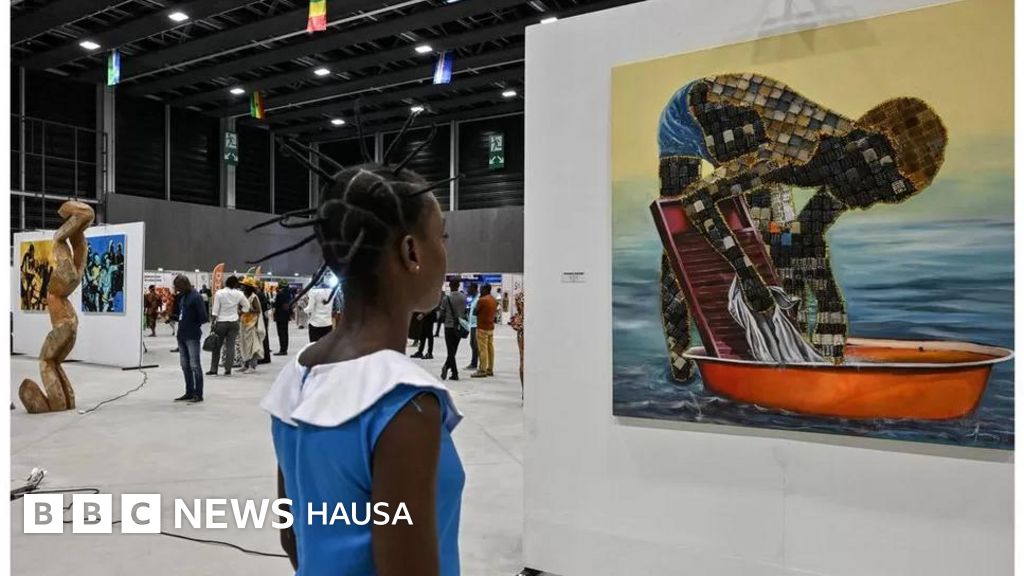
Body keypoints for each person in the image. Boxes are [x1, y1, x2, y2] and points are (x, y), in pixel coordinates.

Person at [656, 74, 948, 366]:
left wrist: (829, 308)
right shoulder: (798, 151)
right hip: (691, 115)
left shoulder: (851, 166)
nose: (870, 202)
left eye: (891, 196)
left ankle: (796, 356)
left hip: (755, 133)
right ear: (870, 157)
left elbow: (801, 235)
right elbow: (696, 201)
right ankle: (679, 355)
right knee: (682, 230)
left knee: (777, 237)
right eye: (884, 187)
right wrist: (748, 277)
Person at [260, 160, 464, 576]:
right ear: (411, 252)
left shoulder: (296, 377)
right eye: (441, 237)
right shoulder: (403, 402)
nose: (445, 252)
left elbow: (292, 535)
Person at [172, 275, 208, 403]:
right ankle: (189, 392)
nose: (176, 289)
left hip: (192, 335)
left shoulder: (196, 297)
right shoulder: (182, 297)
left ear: (183, 284)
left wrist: (192, 322)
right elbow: (180, 314)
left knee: (195, 365)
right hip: (181, 335)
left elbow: (203, 317)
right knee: (185, 365)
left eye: (177, 286)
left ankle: (198, 393)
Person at [207, 275, 250, 376]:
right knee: (231, 346)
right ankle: (228, 370)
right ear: (235, 284)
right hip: (234, 322)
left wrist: (213, 323)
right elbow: (247, 306)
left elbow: (215, 310)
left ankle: (214, 369)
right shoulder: (239, 294)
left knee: (217, 346)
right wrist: (240, 313)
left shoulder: (219, 293)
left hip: (221, 322)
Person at [439, 280, 468, 381]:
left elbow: (442, 313)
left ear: (450, 285)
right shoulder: (464, 297)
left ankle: (454, 372)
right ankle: (447, 367)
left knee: (450, 350)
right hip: (459, 326)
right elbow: (465, 311)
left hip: (449, 326)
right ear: (458, 285)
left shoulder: (446, 298)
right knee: (454, 349)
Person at [239, 278, 266, 373]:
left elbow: (258, 310)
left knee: (252, 346)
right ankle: (245, 364)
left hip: (251, 324)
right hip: (243, 322)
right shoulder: (242, 296)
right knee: (244, 345)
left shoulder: (253, 297)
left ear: (248, 287)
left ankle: (252, 366)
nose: (241, 287)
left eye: (243, 286)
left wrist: (249, 310)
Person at [471, 284, 497, 378]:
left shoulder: (482, 300)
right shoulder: (493, 300)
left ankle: (482, 370)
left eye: (481, 289)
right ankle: (490, 369)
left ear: (486, 290)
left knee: (482, 349)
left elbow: (475, 312)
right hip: (490, 327)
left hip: (482, 327)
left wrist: (479, 299)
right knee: (490, 348)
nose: (480, 291)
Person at [411, 295, 439, 360]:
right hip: (425, 318)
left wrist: (423, 314)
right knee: (422, 335)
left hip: (429, 317)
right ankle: (420, 351)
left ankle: (429, 353)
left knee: (429, 335)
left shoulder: (431, 296)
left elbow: (431, 308)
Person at [273, 281, 292, 356]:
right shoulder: (288, 293)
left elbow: (276, 305)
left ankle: (282, 350)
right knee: (285, 333)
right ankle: (285, 349)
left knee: (281, 334)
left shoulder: (280, 294)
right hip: (286, 315)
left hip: (280, 316)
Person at [464, 283, 479, 371]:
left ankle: (474, 363)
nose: (468, 290)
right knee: (473, 344)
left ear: (474, 289)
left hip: (476, 325)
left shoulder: (478, 298)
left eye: (469, 288)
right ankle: (474, 363)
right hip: (472, 324)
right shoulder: (474, 298)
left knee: (475, 345)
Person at [511, 289, 525, 390]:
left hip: (522, 332)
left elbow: (518, 317)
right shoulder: (520, 296)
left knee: (523, 361)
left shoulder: (520, 296)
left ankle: (525, 391)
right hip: (523, 332)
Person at [258, 284, 273, 364]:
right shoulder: (262, 294)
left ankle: (263, 357)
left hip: (261, 318)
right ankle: (266, 357)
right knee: (264, 337)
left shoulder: (259, 295)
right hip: (264, 318)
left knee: (262, 337)